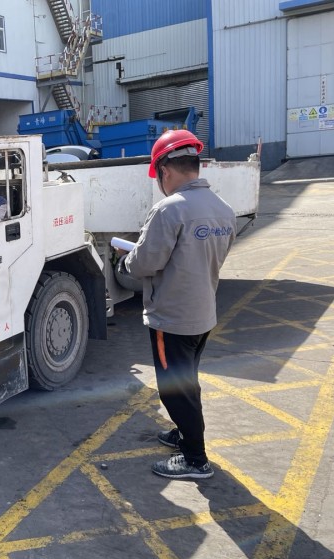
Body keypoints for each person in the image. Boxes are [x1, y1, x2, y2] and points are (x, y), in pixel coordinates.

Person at [117, 129, 237, 480]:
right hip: (203, 313)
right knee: (187, 381)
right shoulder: (224, 210)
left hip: (172, 318)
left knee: (175, 391)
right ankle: (185, 433)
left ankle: (195, 459)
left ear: (165, 171)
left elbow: (145, 263)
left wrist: (125, 261)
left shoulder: (169, 210)